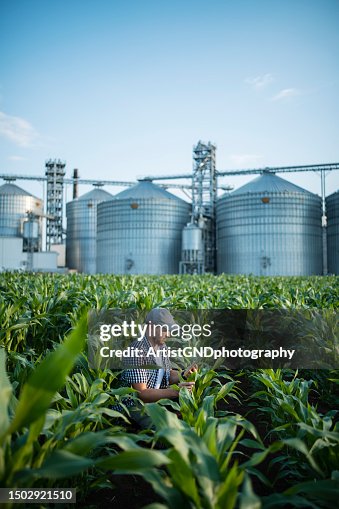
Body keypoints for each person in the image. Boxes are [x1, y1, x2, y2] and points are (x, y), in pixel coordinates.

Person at [119, 308, 197, 428]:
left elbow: (167, 374)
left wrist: (183, 374)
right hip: (134, 406)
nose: (169, 334)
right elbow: (142, 394)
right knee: (164, 428)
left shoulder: (161, 346)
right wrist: (176, 392)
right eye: (165, 329)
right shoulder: (136, 350)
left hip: (154, 401)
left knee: (189, 412)